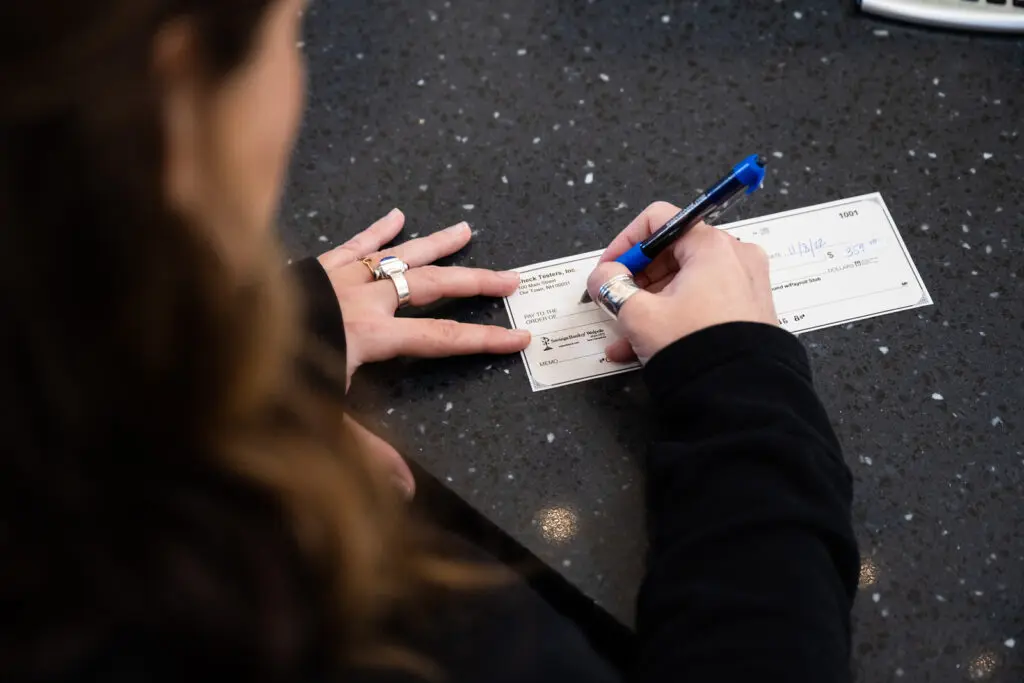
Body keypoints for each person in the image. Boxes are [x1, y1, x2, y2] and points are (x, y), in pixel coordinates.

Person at [0, 0, 859, 682]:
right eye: (290, 29)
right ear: (176, 99)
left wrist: (222, 353)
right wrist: (741, 379)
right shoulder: (324, 624)